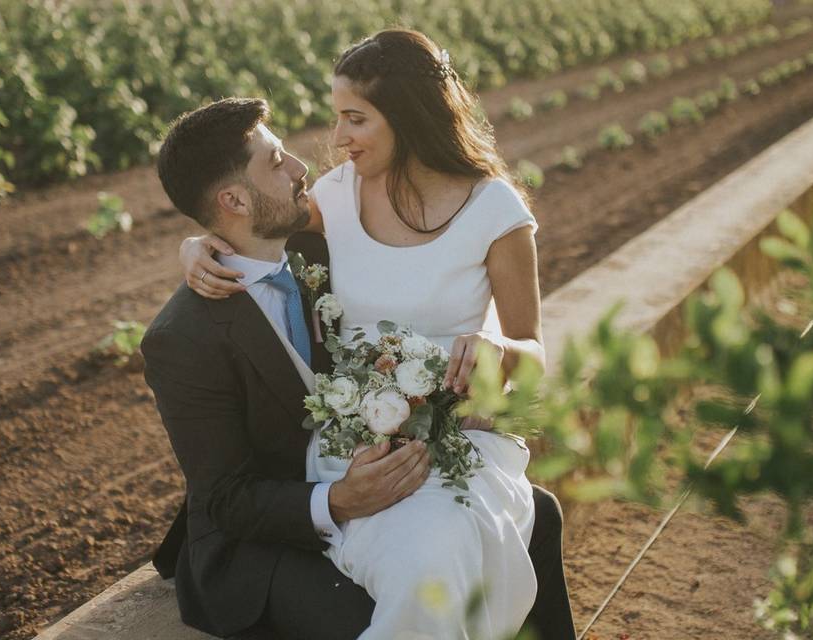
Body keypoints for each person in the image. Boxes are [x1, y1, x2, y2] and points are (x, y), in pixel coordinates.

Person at [177, 29, 576, 640]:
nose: (338, 139)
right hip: (349, 448)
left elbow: (534, 353)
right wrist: (193, 244)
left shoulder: (495, 213)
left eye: (355, 119)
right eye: (338, 117)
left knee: (441, 556)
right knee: (426, 566)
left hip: (459, 440)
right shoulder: (339, 196)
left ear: (407, 119)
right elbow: (245, 221)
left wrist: (499, 352)